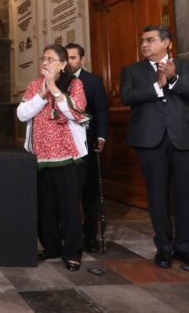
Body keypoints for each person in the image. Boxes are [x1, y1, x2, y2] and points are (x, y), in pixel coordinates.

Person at [120, 25, 189, 272]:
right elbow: (127, 97)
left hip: (185, 138)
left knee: (187, 195)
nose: (144, 45)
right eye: (142, 41)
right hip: (150, 140)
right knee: (157, 195)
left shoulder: (188, 67)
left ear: (166, 43)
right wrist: (158, 86)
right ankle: (164, 247)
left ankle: (186, 248)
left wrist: (174, 80)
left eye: (150, 40)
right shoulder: (132, 70)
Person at [17, 44, 88, 271]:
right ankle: (52, 248)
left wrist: (53, 89)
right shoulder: (34, 85)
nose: (45, 62)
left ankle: (73, 252)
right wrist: (40, 93)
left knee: (69, 207)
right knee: (45, 207)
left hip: (67, 156)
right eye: (43, 58)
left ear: (63, 64)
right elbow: (21, 114)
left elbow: (75, 113)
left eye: (51, 59)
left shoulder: (75, 84)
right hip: (40, 157)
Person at [65, 43, 109, 253]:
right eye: (67, 57)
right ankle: (68, 233)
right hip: (64, 144)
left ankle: (90, 235)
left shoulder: (92, 81)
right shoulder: (59, 81)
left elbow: (101, 110)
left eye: (74, 57)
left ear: (82, 59)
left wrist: (101, 136)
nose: (70, 61)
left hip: (87, 142)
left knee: (90, 192)